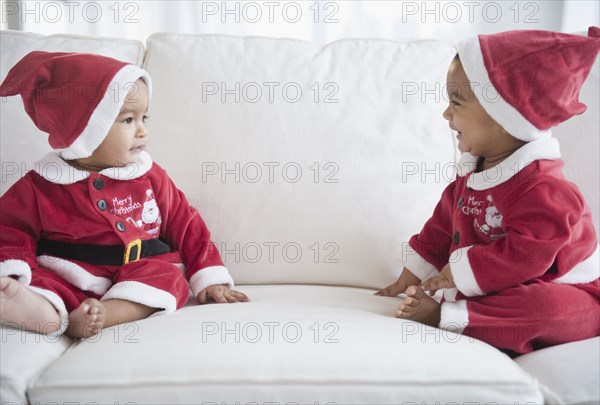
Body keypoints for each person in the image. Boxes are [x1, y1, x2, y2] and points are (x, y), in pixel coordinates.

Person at [377, 28, 600, 354]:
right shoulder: (473, 174)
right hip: (502, 283)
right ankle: (473, 309)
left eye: (456, 102)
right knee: (508, 297)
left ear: (504, 117)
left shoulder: (545, 189)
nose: (446, 113)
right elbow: (441, 228)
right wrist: (410, 276)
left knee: (542, 308)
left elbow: (528, 255)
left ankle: (450, 315)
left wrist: (459, 272)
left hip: (566, 286)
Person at [0, 52, 248, 339]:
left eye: (144, 117)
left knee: (168, 279)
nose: (143, 130)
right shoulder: (41, 184)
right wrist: (17, 268)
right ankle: (40, 309)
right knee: (42, 279)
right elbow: (9, 230)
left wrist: (209, 277)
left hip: (139, 268)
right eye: (128, 120)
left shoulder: (148, 175)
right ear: (81, 130)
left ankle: (104, 315)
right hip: (69, 272)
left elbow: (186, 224)